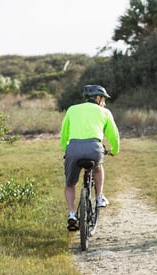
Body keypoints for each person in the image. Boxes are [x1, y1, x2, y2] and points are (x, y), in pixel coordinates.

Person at [60, 84, 120, 231]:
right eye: (104, 99)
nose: (104, 102)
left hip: (73, 148)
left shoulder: (72, 110)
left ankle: (72, 214)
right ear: (98, 98)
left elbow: (64, 134)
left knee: (70, 184)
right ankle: (99, 197)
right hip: (94, 148)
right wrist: (114, 150)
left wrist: (66, 150)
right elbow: (114, 135)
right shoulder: (104, 112)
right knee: (98, 168)